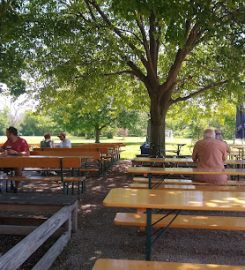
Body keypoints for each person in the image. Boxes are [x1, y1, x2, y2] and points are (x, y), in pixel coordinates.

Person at [0, 126, 30, 192]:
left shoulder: (22, 141)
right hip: (6, 162)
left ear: (11, 134)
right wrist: (3, 151)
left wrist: (16, 152)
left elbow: (27, 153)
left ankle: (16, 187)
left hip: (18, 163)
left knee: (18, 167)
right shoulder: (8, 141)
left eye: (7, 133)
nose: (6, 134)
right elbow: (2, 148)